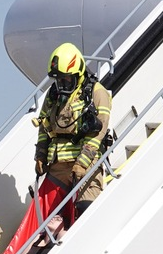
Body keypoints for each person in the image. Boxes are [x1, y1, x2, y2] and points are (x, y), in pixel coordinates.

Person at [34, 42, 113, 220]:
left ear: (78, 74)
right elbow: (43, 125)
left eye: (66, 79)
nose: (62, 83)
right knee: (47, 215)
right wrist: (40, 155)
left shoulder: (96, 92)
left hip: (86, 161)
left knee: (87, 208)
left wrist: (82, 163)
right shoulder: (53, 94)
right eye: (59, 79)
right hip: (57, 163)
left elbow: (98, 132)